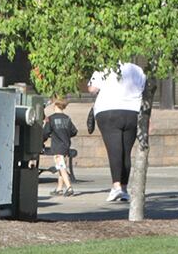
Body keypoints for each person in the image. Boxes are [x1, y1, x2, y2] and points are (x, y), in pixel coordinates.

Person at [87, 61, 145, 203]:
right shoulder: (137, 70)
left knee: (114, 150)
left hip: (108, 110)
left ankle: (116, 186)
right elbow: (144, 89)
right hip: (132, 111)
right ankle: (124, 189)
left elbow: (92, 89)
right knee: (126, 152)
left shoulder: (104, 67)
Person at [43, 96, 78, 197]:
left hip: (57, 147)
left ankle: (69, 187)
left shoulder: (51, 119)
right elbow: (74, 131)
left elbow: (45, 133)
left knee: (61, 167)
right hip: (66, 145)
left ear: (55, 106)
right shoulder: (67, 119)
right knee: (60, 167)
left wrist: (43, 139)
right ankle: (59, 189)